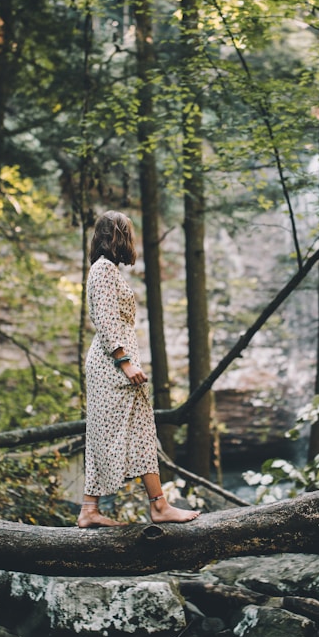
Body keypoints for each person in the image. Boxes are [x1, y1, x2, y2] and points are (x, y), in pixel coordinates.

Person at [78, 210, 200, 528]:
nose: (132, 240)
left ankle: (109, 508)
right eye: (128, 233)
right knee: (115, 435)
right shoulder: (103, 270)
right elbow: (104, 320)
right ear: (117, 235)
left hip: (119, 367)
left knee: (136, 434)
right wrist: (124, 361)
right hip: (113, 368)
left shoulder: (107, 270)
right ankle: (138, 507)